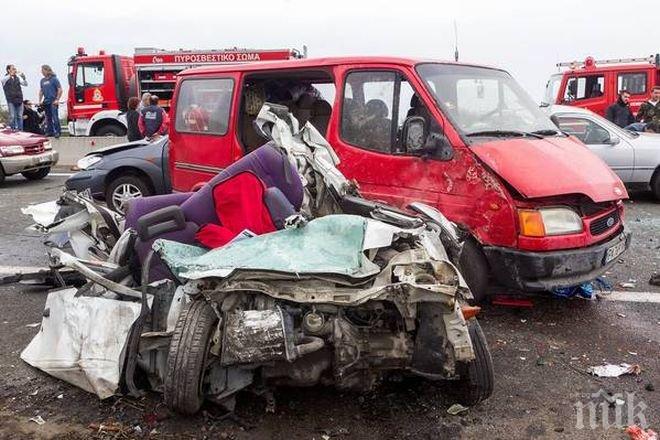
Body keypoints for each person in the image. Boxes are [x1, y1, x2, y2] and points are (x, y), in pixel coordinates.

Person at [38, 65, 62, 138]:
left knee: (55, 117)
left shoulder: (54, 79)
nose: (42, 72)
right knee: (48, 118)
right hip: (46, 101)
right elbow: (41, 91)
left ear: (47, 70)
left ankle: (57, 132)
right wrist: (40, 100)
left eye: (43, 70)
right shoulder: (42, 80)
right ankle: (50, 131)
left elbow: (60, 89)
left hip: (53, 101)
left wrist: (57, 99)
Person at [2, 65, 28, 130]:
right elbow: (2, 81)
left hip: (19, 99)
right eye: (13, 68)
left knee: (20, 116)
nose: (15, 70)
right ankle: (12, 130)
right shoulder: (5, 78)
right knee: (12, 116)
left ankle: (20, 131)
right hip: (11, 100)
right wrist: (10, 74)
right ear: (8, 70)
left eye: (15, 69)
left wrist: (23, 77)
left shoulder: (17, 78)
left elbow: (25, 84)